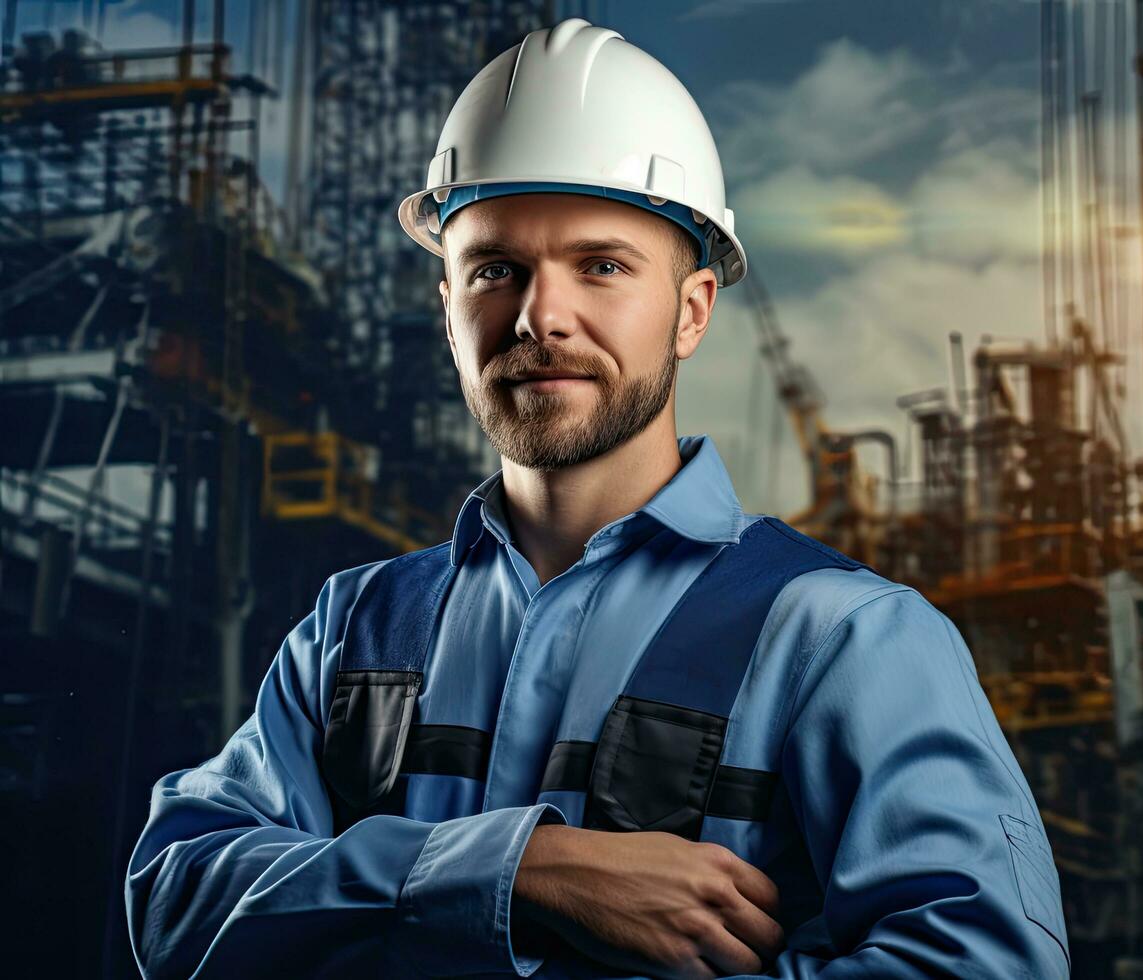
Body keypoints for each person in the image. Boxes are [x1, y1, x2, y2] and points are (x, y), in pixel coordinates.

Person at [124, 17, 1068, 979]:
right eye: (494, 269)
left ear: (692, 310)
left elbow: (982, 966)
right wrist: (526, 869)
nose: (541, 316)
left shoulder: (842, 641)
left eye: (602, 266)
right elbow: (177, 901)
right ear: (447, 313)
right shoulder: (353, 632)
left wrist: (387, 903)